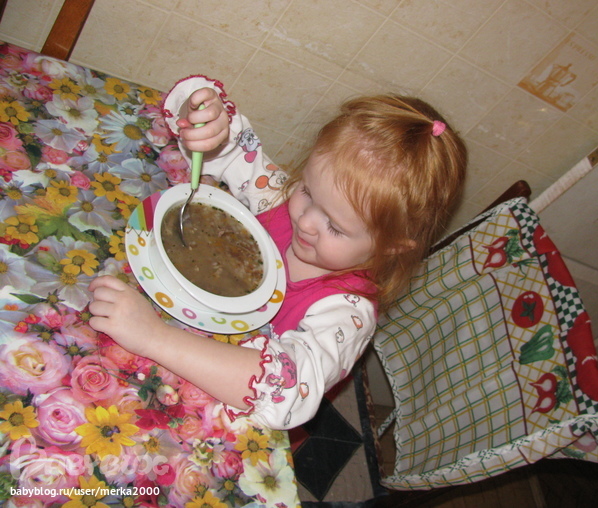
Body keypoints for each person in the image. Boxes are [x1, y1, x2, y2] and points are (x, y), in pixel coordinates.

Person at [88, 76, 467, 429]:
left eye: (335, 227)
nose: (305, 220)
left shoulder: (346, 314)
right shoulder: (279, 197)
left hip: (210, 395)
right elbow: (233, 149)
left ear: (391, 245)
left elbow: (286, 392)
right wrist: (208, 121)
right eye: (308, 191)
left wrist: (153, 337)